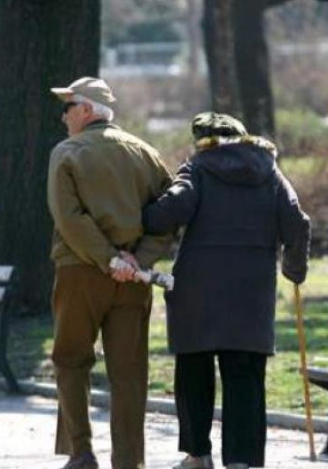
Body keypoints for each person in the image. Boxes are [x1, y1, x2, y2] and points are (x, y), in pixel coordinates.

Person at [142, 112, 310, 469]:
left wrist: (145, 215)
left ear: (201, 139)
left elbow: (173, 209)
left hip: (197, 293)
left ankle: (198, 454)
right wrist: (294, 269)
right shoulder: (270, 172)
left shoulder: (198, 168)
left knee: (193, 373)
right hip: (252, 294)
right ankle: (242, 460)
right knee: (245, 377)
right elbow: (297, 222)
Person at [47, 76, 173, 469]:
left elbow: (69, 218)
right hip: (134, 280)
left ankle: (80, 452)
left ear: (85, 110)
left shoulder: (67, 151)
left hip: (80, 271)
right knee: (130, 373)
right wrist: (139, 260)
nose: (63, 116)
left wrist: (108, 260)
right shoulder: (147, 153)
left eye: (67, 108)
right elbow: (167, 216)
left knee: (70, 360)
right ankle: (129, 462)